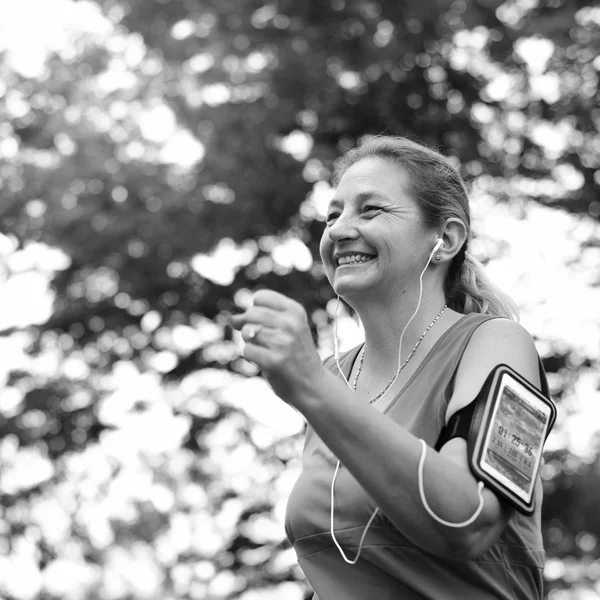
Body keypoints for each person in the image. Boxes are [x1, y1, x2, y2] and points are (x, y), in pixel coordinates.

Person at [230, 135, 551, 599]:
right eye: (332, 214)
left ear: (445, 239)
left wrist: (312, 388)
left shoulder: (496, 342)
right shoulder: (333, 377)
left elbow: (468, 521)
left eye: (371, 210)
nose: (339, 230)